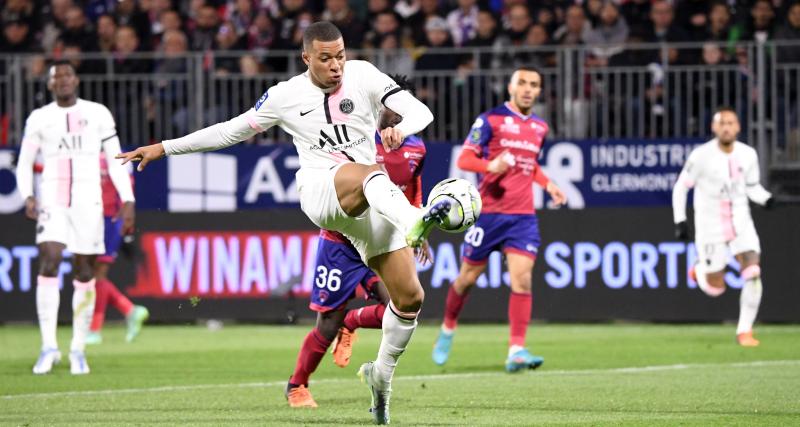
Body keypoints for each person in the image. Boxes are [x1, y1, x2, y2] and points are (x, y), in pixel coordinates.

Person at [117, 22, 448, 425]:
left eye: (340, 55)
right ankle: (416, 219)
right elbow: (229, 132)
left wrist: (400, 127)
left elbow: (422, 112)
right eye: (325, 58)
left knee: (410, 299)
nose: (336, 65)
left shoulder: (363, 74)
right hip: (322, 192)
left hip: (369, 206)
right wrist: (164, 147)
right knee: (371, 174)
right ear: (306, 58)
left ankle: (381, 376)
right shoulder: (285, 96)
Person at [287, 74, 430, 408]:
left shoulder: (416, 148)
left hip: (380, 239)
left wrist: (416, 227)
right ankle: (297, 386)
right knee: (328, 321)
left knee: (404, 305)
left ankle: (352, 323)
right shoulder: (355, 135)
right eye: (389, 108)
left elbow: (412, 191)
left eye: (400, 110)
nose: (394, 115)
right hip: (341, 241)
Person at [431, 67, 567, 372]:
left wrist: (549, 185)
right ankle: (448, 327)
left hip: (522, 217)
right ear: (510, 87)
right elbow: (465, 158)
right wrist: (490, 164)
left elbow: (529, 165)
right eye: (522, 83)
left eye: (534, 84)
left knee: (522, 279)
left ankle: (516, 350)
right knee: (466, 280)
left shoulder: (540, 127)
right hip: (489, 214)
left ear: (539, 91)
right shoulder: (489, 119)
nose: (528, 89)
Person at [16, 60, 136, 375]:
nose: (63, 80)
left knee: (84, 271)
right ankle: (48, 346)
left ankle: (78, 348)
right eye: (57, 76)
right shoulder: (39, 118)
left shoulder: (98, 113)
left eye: (67, 75)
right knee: (50, 259)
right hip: (52, 199)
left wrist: (128, 199)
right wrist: (27, 193)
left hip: (88, 200)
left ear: (76, 80)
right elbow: (25, 161)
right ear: (50, 84)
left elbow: (115, 159)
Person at [672, 107, 774, 347]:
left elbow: (752, 187)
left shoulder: (748, 154)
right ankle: (700, 271)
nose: (726, 127)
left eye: (731, 123)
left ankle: (744, 331)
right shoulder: (701, 156)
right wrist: (680, 220)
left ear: (738, 127)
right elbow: (681, 187)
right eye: (722, 123)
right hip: (710, 226)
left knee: (753, 272)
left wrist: (767, 199)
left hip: (741, 222)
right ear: (714, 128)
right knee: (715, 287)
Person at [85, 156, 149, 345]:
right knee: (90, 276)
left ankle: (95, 330)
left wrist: (127, 224)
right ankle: (130, 310)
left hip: (109, 221)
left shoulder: (118, 156)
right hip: (90, 219)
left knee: (97, 276)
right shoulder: (85, 149)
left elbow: (128, 187)